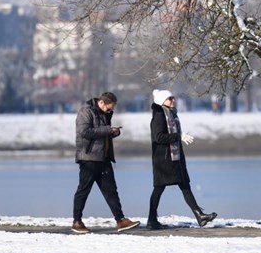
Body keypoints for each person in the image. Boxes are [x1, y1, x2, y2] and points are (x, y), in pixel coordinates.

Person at [147, 89, 217, 230]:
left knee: (185, 185)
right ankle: (152, 220)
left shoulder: (171, 113)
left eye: (173, 97)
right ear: (162, 101)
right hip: (164, 159)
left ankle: (200, 216)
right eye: (169, 98)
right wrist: (179, 136)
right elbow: (159, 137)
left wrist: (179, 137)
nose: (173, 100)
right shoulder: (159, 115)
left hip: (176, 158)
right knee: (158, 188)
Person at [72, 92, 140, 234]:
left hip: (103, 158)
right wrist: (107, 129)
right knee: (83, 190)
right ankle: (77, 222)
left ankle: (120, 220)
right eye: (109, 107)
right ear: (102, 102)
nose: (110, 110)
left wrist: (113, 132)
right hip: (88, 158)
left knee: (111, 190)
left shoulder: (104, 113)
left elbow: (101, 134)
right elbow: (84, 132)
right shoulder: (85, 111)